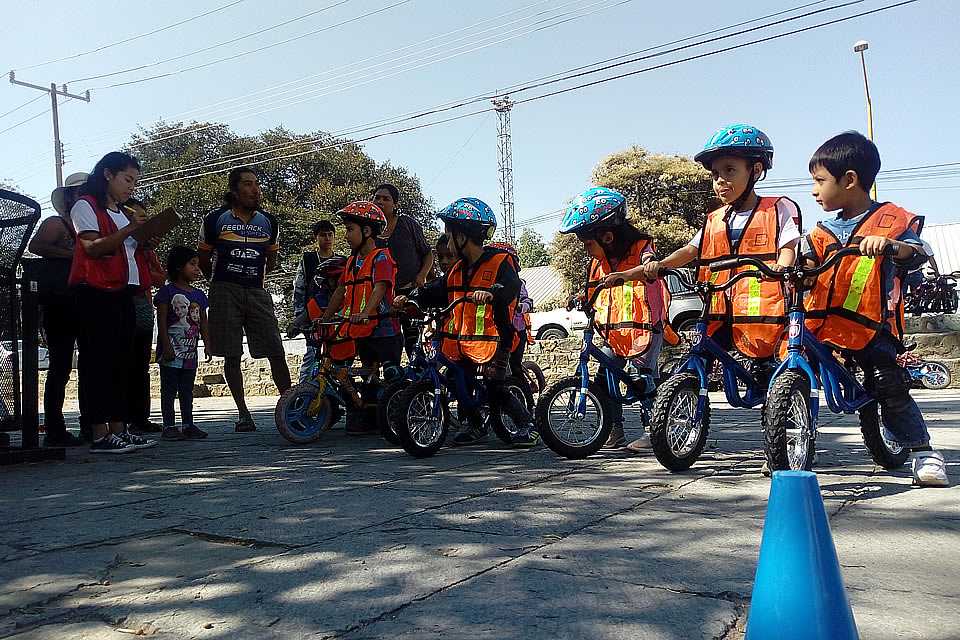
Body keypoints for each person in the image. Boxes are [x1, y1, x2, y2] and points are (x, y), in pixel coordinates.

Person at [804, 131, 948, 487]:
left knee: (888, 385)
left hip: (871, 324)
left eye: (819, 181)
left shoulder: (893, 219)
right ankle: (789, 446)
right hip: (822, 323)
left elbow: (918, 253)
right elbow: (806, 263)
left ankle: (923, 451)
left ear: (849, 179)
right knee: (796, 373)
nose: (813, 190)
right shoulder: (821, 231)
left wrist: (891, 245)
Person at [640, 123, 800, 371]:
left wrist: (782, 266)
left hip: (761, 310)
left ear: (756, 170)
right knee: (700, 354)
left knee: (766, 369)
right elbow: (690, 250)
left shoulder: (777, 208)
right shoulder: (715, 218)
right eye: (715, 174)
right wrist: (661, 265)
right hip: (718, 306)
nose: (720, 181)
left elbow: (788, 246)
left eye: (729, 171)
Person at [394, 197, 539, 447]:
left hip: (497, 339)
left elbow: (512, 285)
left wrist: (493, 292)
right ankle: (474, 424)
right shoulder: (457, 269)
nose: (448, 242)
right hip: (464, 340)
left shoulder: (499, 261)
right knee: (457, 379)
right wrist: (409, 298)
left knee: (494, 386)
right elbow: (436, 289)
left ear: (464, 235)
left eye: (450, 235)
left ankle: (526, 424)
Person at [559, 187, 673, 451]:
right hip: (614, 331)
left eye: (588, 243)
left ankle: (653, 430)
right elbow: (593, 288)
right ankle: (613, 429)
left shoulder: (640, 247)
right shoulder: (599, 263)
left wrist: (647, 263)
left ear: (607, 236)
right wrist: (579, 298)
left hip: (645, 326)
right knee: (604, 375)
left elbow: (649, 265)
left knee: (644, 378)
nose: (587, 250)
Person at [69, 152, 157, 453]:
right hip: (95, 291)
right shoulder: (85, 205)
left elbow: (127, 249)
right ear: (108, 174)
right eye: (127, 179)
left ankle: (120, 427)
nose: (131, 187)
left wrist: (144, 237)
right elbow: (92, 247)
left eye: (135, 181)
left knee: (124, 362)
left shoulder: (123, 212)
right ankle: (98, 432)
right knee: (98, 362)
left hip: (125, 290)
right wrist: (131, 229)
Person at [198, 166, 291, 432]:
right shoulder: (214, 219)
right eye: (248, 184)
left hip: (256, 290)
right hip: (224, 289)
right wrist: (215, 282)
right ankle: (243, 413)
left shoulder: (269, 222)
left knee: (276, 348)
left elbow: (271, 260)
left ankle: (290, 406)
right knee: (231, 353)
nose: (255, 189)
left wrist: (254, 276)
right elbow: (204, 258)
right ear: (234, 190)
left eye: (257, 184)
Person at [321, 201, 402, 435]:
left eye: (349, 230)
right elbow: (340, 290)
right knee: (368, 373)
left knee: (391, 374)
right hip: (362, 330)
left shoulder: (381, 258)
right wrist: (326, 317)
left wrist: (366, 312)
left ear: (366, 231)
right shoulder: (352, 261)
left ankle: (396, 418)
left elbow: (379, 288)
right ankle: (369, 418)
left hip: (385, 327)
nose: (345, 236)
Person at [29, 171, 87, 446]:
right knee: (61, 365)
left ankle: (92, 423)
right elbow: (36, 246)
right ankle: (54, 427)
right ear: (71, 196)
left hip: (85, 299)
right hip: (60, 301)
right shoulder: (57, 223)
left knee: (89, 364)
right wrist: (73, 254)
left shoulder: (90, 223)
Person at [155, 246, 211, 441]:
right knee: (169, 389)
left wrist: (207, 344)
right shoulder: (166, 292)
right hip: (170, 352)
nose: (197, 269)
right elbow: (161, 321)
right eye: (192, 264)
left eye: (198, 265)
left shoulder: (199, 295)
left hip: (190, 353)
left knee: (187, 390)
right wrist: (166, 346)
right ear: (179, 267)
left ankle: (188, 424)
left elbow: (203, 322)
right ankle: (169, 426)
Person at [372, 184, 433, 358]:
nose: (380, 202)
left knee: (414, 342)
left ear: (395, 204)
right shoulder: (369, 231)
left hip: (410, 293)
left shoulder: (407, 224)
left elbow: (427, 253)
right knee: (389, 344)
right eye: (377, 197)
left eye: (386, 198)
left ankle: (420, 382)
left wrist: (421, 276)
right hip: (382, 298)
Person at [122, 198, 166, 435]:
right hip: (121, 302)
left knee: (140, 364)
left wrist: (144, 254)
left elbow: (160, 278)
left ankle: (140, 417)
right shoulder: (118, 244)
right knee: (119, 362)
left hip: (143, 304)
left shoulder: (147, 251)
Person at [290, 219, 344, 382]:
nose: (327, 238)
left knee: (336, 356)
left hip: (336, 317)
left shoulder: (342, 261)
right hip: (312, 316)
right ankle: (304, 390)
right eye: (322, 235)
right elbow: (299, 289)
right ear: (316, 238)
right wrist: (299, 318)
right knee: (312, 354)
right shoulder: (308, 259)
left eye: (330, 235)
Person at [487, 242, 535, 376]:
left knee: (515, 368)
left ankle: (524, 393)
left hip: (517, 331)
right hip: (496, 332)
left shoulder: (518, 283)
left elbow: (528, 302)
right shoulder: (488, 282)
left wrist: (520, 306)